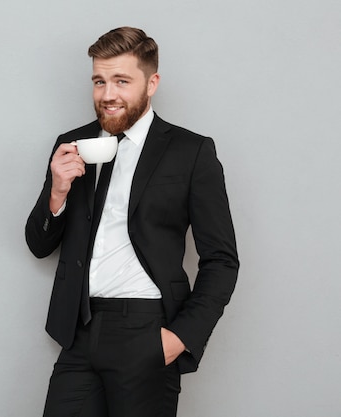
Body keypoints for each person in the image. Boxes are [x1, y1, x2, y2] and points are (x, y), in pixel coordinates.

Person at [25, 27, 239, 417]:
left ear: (151, 82)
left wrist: (179, 337)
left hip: (147, 330)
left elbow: (222, 260)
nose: (108, 95)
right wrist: (57, 191)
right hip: (79, 331)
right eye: (99, 81)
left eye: (122, 81)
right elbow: (39, 245)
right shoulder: (72, 144)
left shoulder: (191, 152)